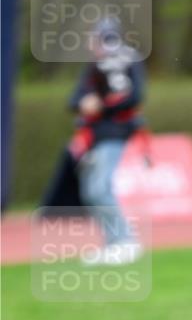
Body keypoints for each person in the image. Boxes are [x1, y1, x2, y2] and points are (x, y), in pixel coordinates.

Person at [42, 17, 146, 264]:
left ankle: (126, 241)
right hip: (92, 137)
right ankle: (112, 243)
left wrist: (101, 105)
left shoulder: (128, 61)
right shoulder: (94, 66)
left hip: (114, 134)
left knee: (101, 188)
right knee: (91, 190)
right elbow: (74, 100)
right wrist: (84, 103)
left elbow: (135, 96)